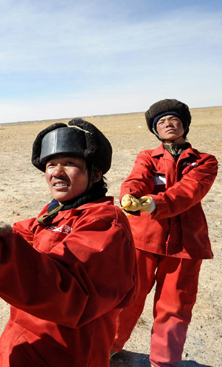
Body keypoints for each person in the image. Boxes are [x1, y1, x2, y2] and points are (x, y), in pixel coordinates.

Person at [0, 118, 138, 367]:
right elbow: (30, 230)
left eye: (69, 163)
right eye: (50, 164)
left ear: (95, 173)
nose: (56, 172)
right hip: (23, 344)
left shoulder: (106, 224)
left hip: (68, 354)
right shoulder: (57, 211)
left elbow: (67, 293)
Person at [111, 99, 218, 367]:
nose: (168, 124)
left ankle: (163, 362)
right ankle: (108, 347)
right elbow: (137, 177)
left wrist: (156, 202)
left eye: (173, 120)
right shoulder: (148, 156)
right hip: (144, 239)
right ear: (155, 130)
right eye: (161, 122)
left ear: (185, 125)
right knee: (127, 299)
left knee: (175, 307)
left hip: (186, 245)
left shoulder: (205, 161)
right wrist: (129, 195)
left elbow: (190, 190)